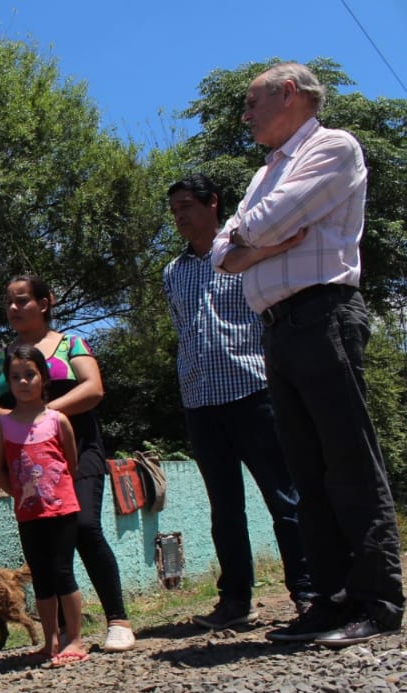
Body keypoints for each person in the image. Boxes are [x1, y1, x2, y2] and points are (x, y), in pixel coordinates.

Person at [212, 61, 404, 647]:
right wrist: (256, 245)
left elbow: (265, 224)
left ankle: (376, 600)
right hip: (277, 327)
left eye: (252, 102)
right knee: (307, 470)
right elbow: (222, 253)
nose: (244, 115)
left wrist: (252, 242)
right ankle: (330, 599)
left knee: (348, 458)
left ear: (289, 94)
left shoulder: (333, 148)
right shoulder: (265, 171)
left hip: (323, 315)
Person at [163, 174, 316, 629]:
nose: (180, 216)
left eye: (186, 205)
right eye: (174, 210)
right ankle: (235, 600)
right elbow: (183, 328)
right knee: (224, 507)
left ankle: (308, 591)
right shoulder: (173, 271)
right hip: (200, 399)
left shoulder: (244, 250)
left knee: (284, 497)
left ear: (213, 203)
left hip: (253, 389)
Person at [0, 273, 136, 653]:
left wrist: (43, 415)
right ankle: (62, 631)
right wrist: (18, 422)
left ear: (44, 303)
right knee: (46, 544)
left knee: (84, 526)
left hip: (78, 448)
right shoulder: (1, 359)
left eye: (22, 300)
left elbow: (93, 387)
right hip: (27, 461)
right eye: (8, 302)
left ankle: (118, 619)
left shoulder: (71, 344)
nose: (13, 308)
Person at [0, 345, 87, 666]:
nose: (23, 382)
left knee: (62, 572)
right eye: (15, 376)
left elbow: (70, 463)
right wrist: (20, 494)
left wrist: (54, 493)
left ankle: (76, 639)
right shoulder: (2, 426)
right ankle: (50, 641)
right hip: (28, 514)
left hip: (62, 511)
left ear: (43, 378)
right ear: (8, 382)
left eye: (30, 374)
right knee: (41, 577)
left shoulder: (58, 420)